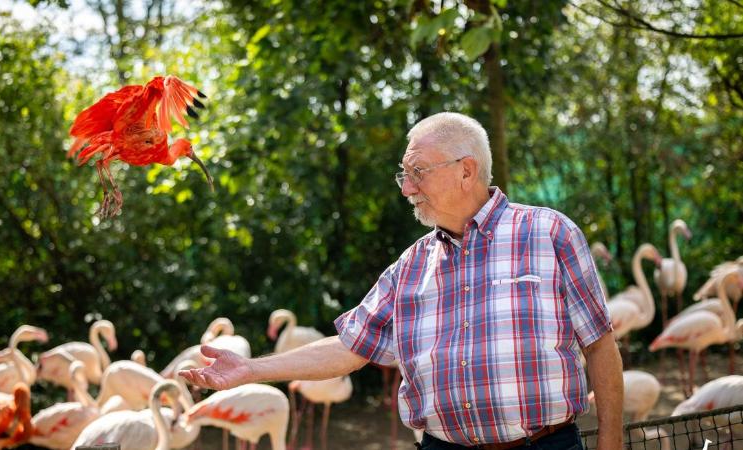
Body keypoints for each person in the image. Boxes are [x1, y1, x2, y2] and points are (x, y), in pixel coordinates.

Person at [180, 112, 623, 450]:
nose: (407, 189)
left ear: (466, 171)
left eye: (418, 172)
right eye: (404, 175)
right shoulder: (410, 266)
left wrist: (610, 444)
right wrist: (252, 369)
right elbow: (350, 347)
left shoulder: (550, 233)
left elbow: (600, 346)